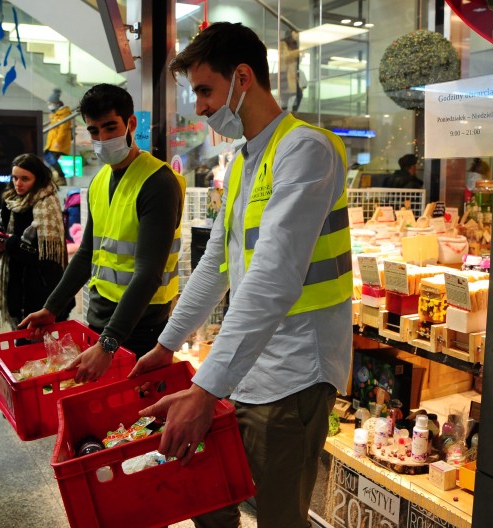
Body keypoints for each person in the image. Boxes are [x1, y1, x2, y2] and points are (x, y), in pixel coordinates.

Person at [130, 22, 352, 528]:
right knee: (209, 497)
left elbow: (273, 278)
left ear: (243, 77)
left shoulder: (306, 150)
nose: (201, 106)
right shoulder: (245, 159)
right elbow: (218, 263)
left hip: (295, 371)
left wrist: (205, 391)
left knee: (277, 516)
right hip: (246, 364)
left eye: (206, 90)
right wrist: (168, 344)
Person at [20, 83, 186, 383]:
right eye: (94, 131)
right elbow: (86, 255)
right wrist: (52, 307)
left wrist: (109, 343)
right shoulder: (99, 181)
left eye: (110, 127)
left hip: (139, 327)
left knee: (130, 418)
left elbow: (148, 273)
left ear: (131, 123)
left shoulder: (158, 183)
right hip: (100, 320)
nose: (102, 138)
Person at [0, 154, 70, 330]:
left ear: (38, 178)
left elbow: (45, 255)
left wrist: (11, 244)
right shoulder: (10, 201)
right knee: (19, 333)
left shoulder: (47, 203)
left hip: (41, 282)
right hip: (14, 277)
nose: (18, 183)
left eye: (25, 179)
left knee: (41, 342)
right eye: (15, 178)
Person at [43, 88, 73, 185]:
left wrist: (58, 142)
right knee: (48, 158)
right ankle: (58, 178)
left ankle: (61, 177)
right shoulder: (56, 114)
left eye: (50, 103)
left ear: (56, 103)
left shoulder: (64, 113)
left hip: (58, 143)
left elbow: (63, 129)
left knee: (49, 158)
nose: (49, 106)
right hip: (52, 142)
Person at [279, 29, 303, 112]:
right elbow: (285, 56)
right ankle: (285, 113)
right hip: (286, 75)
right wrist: (298, 52)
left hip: (293, 75)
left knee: (298, 94)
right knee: (287, 96)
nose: (297, 35)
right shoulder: (283, 43)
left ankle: (293, 112)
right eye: (295, 33)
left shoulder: (294, 45)